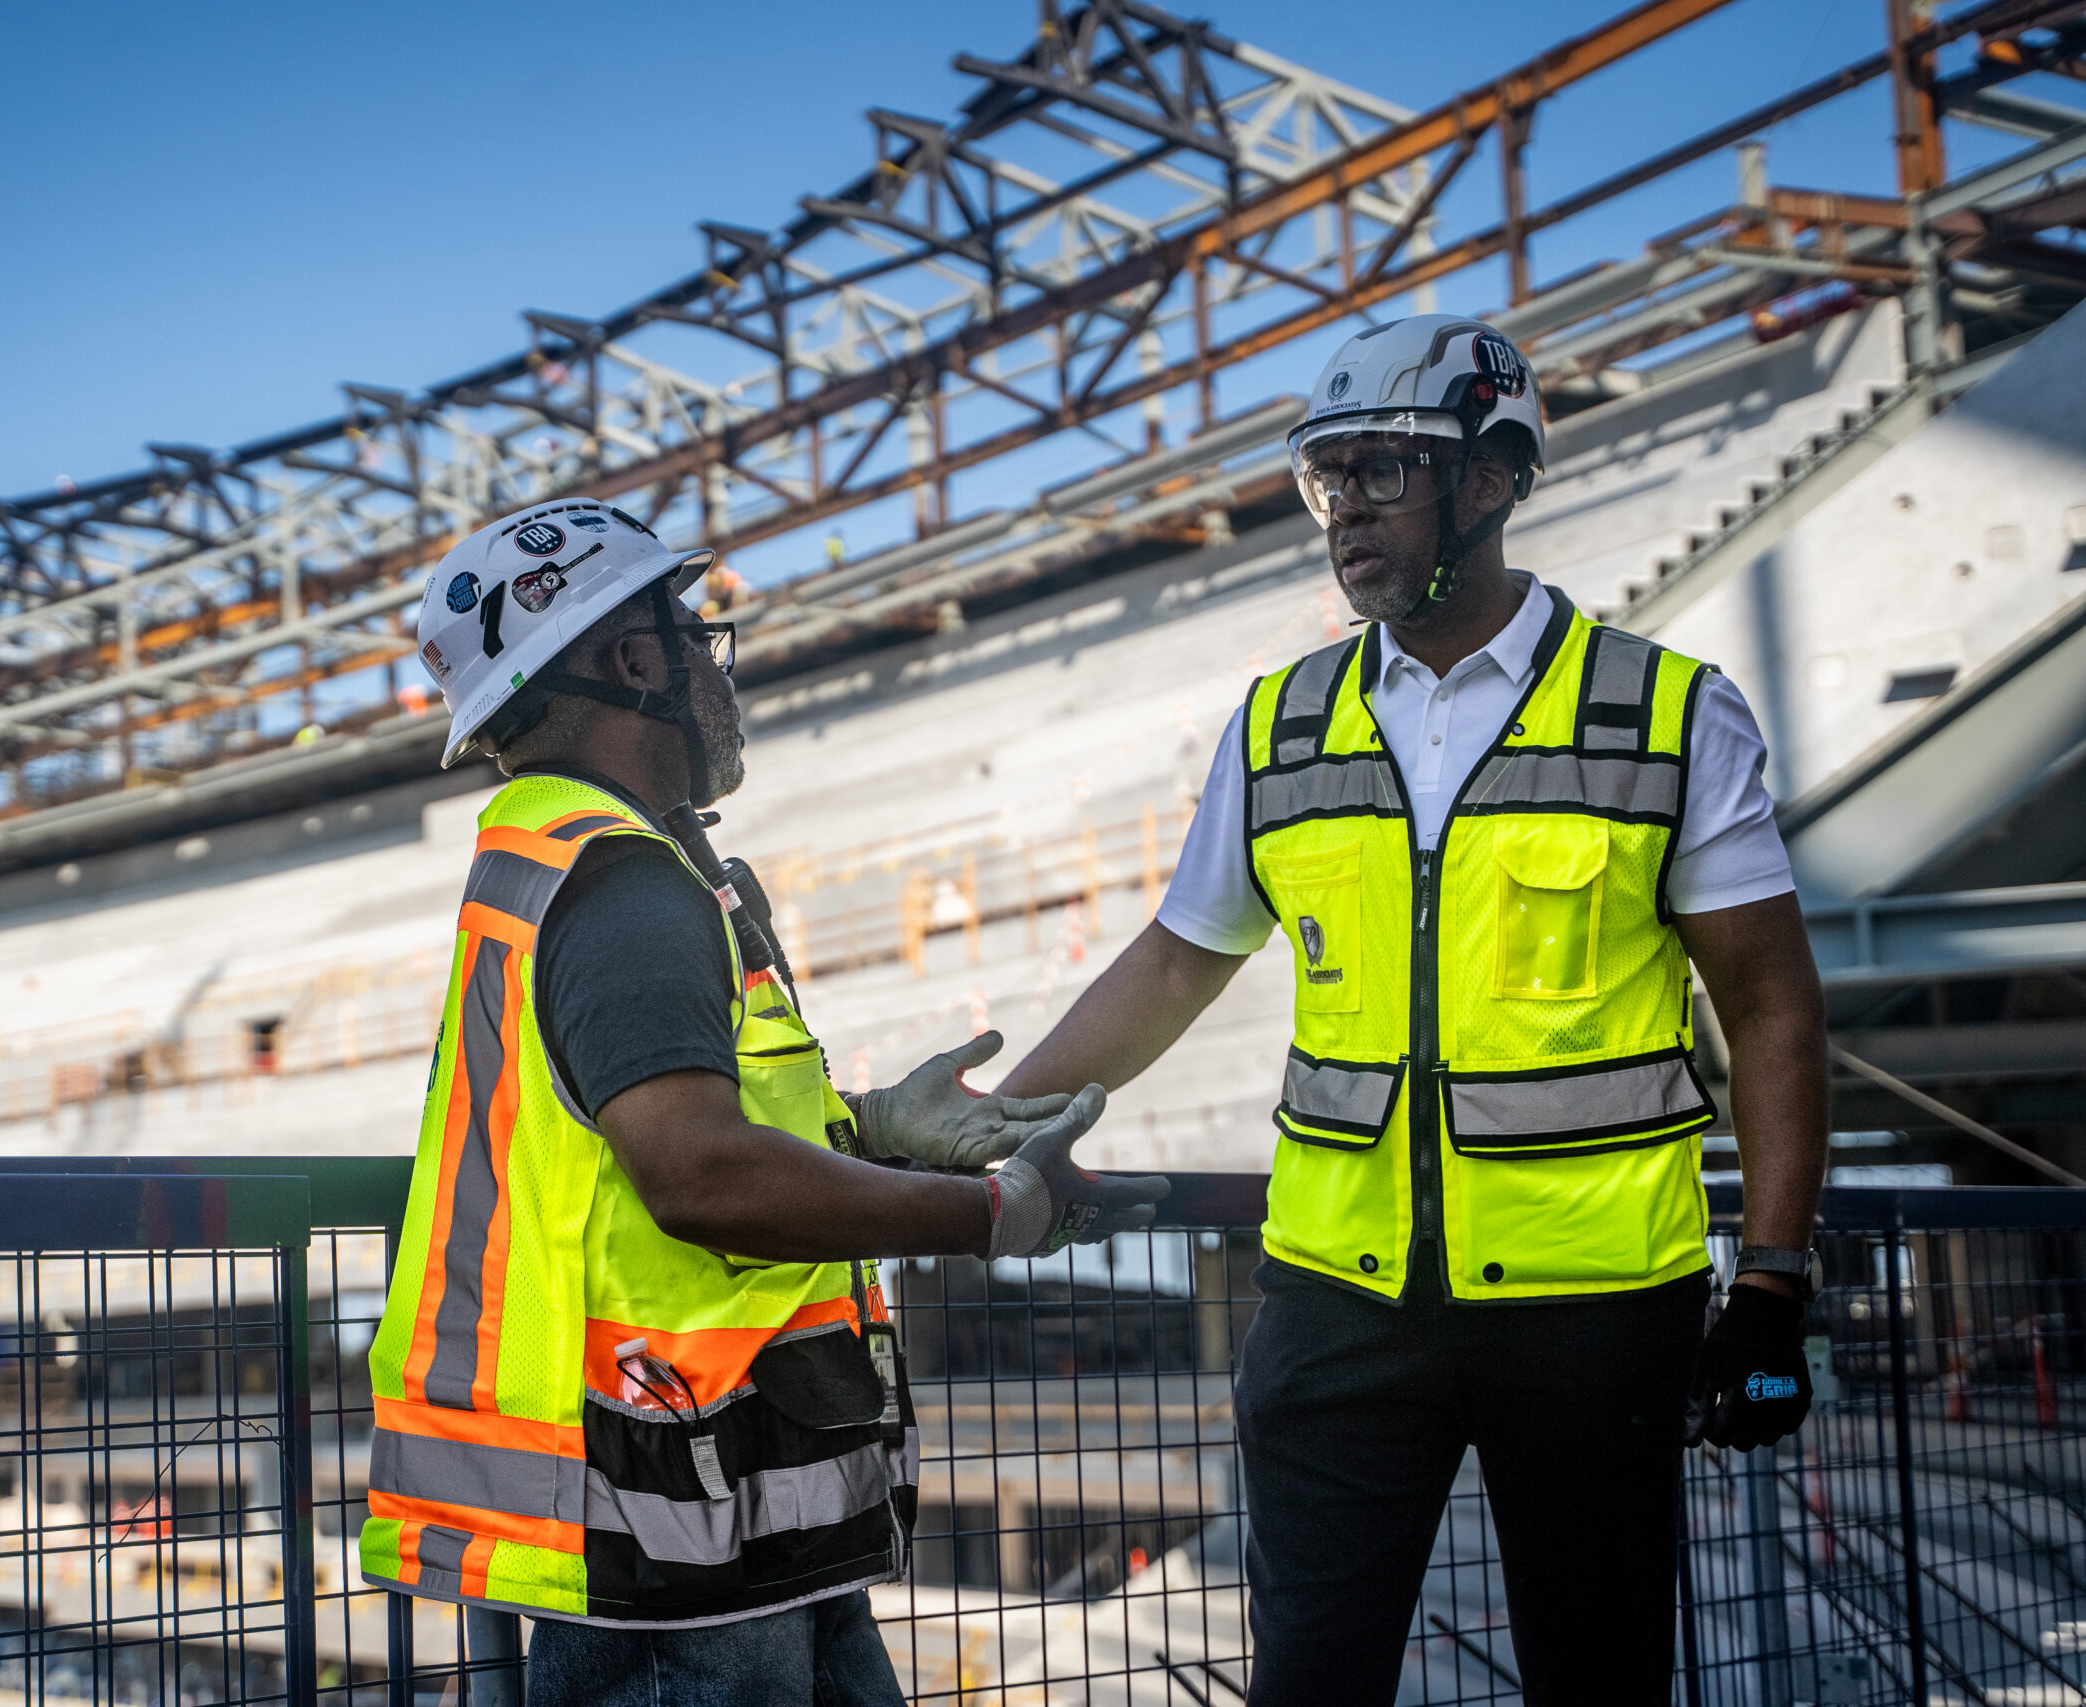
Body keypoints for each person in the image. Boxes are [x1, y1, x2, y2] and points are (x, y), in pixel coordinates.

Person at [996, 315, 1830, 1705]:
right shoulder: (1279, 722)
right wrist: (992, 1122)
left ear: (1494, 478)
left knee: (1599, 1676)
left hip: (1598, 1309)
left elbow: (1773, 1005)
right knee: (1310, 1682)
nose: (1347, 511)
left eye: (1385, 469)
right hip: (1336, 1307)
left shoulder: (1670, 712)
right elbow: (1173, 961)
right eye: (1332, 478)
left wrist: (1771, 1280)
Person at [361, 501, 1169, 1705]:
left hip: (721, 1506)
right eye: (684, 631)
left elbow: (667, 1130)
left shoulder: (595, 859)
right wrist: (986, 1214)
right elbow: (696, 1174)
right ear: (634, 663)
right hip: (669, 1520)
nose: (706, 657)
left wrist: (866, 1129)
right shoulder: (620, 882)